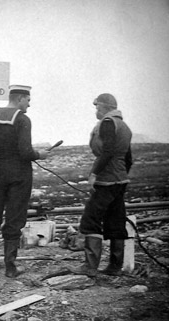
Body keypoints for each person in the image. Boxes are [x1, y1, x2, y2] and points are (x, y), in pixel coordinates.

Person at [0, 85, 49, 278]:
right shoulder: (22, 119)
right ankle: (10, 266)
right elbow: (25, 152)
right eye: (28, 101)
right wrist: (40, 154)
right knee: (14, 219)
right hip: (19, 175)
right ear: (20, 98)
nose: (29, 105)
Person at [70, 93, 133, 277]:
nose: (96, 111)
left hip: (106, 180)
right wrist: (120, 175)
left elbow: (106, 152)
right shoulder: (124, 126)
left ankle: (90, 267)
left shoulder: (107, 122)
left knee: (90, 220)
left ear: (105, 107)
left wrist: (94, 173)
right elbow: (128, 158)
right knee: (116, 220)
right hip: (120, 180)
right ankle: (115, 266)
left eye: (97, 107)